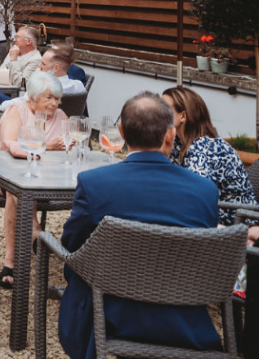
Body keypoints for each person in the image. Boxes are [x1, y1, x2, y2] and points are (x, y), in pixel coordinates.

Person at [58, 92, 221, 359]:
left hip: (110, 313)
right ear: (170, 135)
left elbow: (71, 245)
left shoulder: (94, 183)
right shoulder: (205, 190)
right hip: (185, 319)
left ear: (121, 132)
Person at [0, 72, 68, 290]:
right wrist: (45, 146)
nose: (54, 103)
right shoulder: (18, 111)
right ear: (32, 98)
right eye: (48, 98)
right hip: (4, 175)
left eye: (57, 98)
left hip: (45, 178)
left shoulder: (61, 115)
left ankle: (13, 261)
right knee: (16, 190)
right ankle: (28, 239)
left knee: (23, 189)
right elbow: (9, 144)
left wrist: (67, 147)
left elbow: (69, 145)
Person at [162, 86, 255, 224]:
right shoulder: (178, 141)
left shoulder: (205, 148)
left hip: (235, 222)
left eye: (163, 109)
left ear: (183, 116)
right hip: (208, 214)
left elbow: (194, 198)